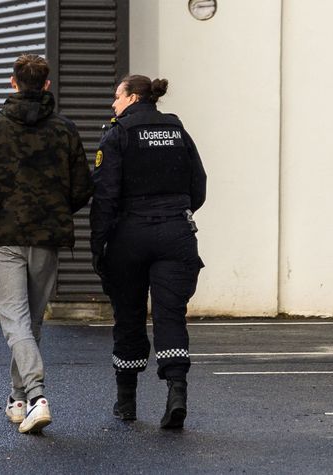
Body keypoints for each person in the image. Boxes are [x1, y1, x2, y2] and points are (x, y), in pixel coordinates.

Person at [0, 54, 94, 434]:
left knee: (16, 322)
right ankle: (17, 398)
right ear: (47, 85)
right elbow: (82, 186)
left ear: (13, 82)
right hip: (48, 236)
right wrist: (57, 210)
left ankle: (36, 395)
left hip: (5, 236)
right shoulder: (65, 130)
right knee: (29, 321)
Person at [90, 74, 206, 429]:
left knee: (128, 315)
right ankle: (177, 393)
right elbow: (198, 186)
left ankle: (126, 402)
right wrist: (175, 213)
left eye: (117, 97)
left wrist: (99, 245)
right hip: (176, 231)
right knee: (171, 315)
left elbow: (105, 195)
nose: (113, 104)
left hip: (130, 234)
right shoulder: (178, 132)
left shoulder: (118, 134)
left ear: (132, 97)